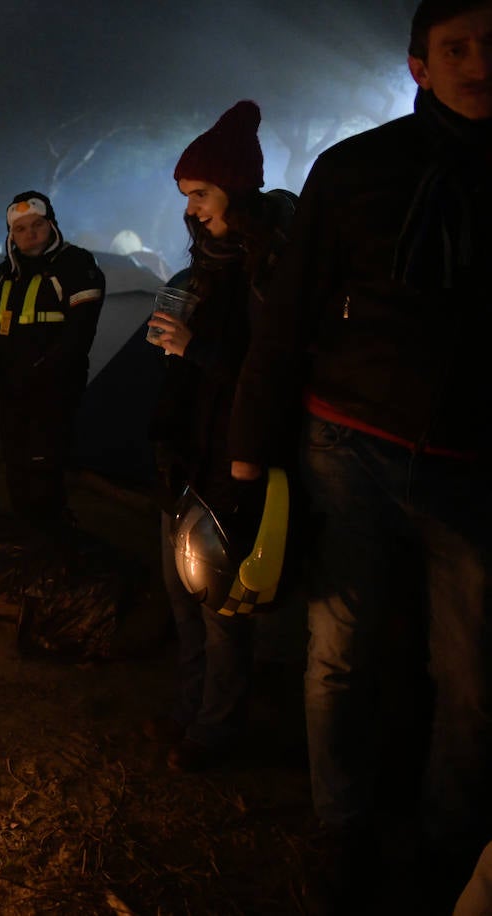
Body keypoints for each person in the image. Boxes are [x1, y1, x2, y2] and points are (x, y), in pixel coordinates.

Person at [228, 0, 492, 905]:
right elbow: (288, 319)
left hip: (475, 461)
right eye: (456, 47)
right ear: (419, 66)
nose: (478, 63)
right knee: (340, 650)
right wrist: (248, 457)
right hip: (350, 444)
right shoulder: (357, 171)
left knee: (472, 677)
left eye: (491, 45)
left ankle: (444, 845)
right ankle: (340, 827)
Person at [143, 101, 296, 772]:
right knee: (181, 593)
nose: (192, 209)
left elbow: (271, 371)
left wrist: (196, 347)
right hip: (186, 446)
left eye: (201, 194)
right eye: (186, 197)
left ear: (234, 186)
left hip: (233, 452)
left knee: (219, 597)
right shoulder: (202, 267)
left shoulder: (270, 269)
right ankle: (189, 706)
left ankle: (217, 728)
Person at [0, 191, 104, 529]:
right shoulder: (6, 272)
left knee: (45, 468)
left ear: (52, 225)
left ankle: (53, 543)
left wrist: (38, 374)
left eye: (37, 225)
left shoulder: (76, 264)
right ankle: (26, 541)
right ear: (10, 235)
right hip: (10, 391)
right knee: (15, 464)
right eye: (20, 229)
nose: (29, 234)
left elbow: (80, 333)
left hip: (53, 390)